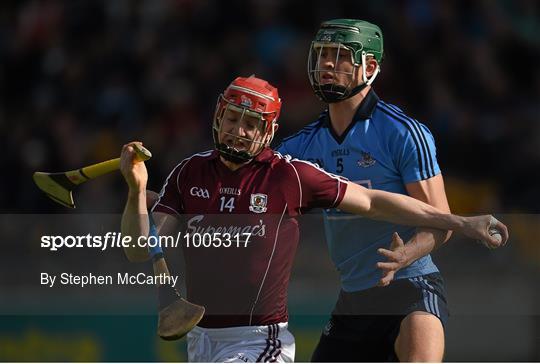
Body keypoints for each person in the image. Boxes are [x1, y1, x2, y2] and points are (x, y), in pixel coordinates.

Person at [120, 75, 507, 362]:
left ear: (268, 131)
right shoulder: (189, 173)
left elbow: (372, 201)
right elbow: (139, 251)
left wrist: (458, 222)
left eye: (251, 124)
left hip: (259, 340)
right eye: (233, 119)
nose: (239, 131)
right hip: (200, 338)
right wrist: (137, 192)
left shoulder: (289, 175)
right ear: (218, 118)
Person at [276, 19, 500, 362]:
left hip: (412, 288)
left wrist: (406, 254)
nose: (327, 65)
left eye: (340, 57)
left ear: (370, 66)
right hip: (353, 300)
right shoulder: (300, 146)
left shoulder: (404, 133)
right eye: (322, 56)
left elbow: (442, 220)